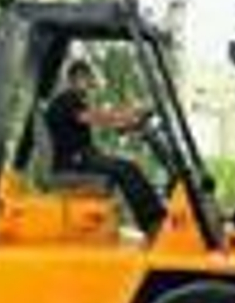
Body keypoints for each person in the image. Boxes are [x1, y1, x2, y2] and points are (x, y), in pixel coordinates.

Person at [42, 57, 166, 234]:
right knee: (127, 169)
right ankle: (154, 223)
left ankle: (155, 220)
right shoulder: (67, 99)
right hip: (74, 161)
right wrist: (131, 114)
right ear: (76, 78)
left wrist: (128, 122)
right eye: (88, 79)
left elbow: (97, 117)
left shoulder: (74, 101)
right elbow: (96, 117)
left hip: (82, 157)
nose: (90, 84)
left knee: (129, 167)